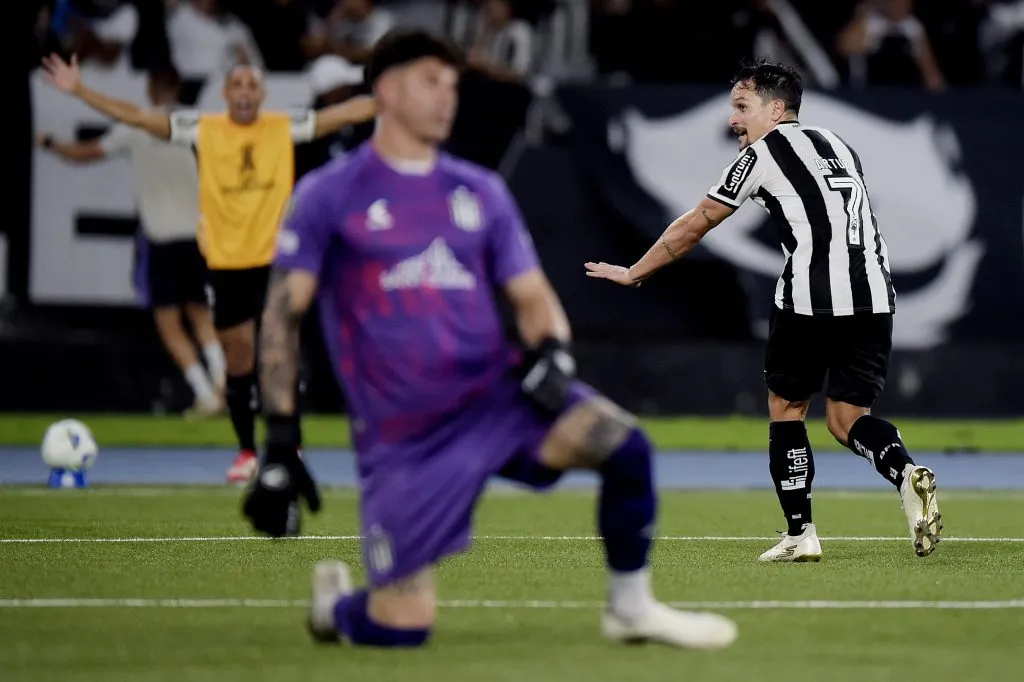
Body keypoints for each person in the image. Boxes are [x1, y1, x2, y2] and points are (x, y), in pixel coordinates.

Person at [240, 28, 738, 650]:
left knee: (625, 446)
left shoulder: (479, 191)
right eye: (431, 81)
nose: (449, 96)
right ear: (387, 90)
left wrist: (552, 353)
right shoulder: (328, 195)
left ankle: (631, 608)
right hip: (405, 434)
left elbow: (532, 299)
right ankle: (338, 610)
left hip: (494, 396)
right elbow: (283, 317)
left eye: (454, 83)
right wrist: (281, 441)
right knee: (402, 629)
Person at [585, 60, 942, 562]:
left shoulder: (762, 152)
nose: (733, 119)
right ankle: (905, 472)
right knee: (847, 418)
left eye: (741, 107)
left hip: (812, 298)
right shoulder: (839, 145)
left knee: (788, 408)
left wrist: (635, 271)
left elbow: (698, 221)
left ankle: (801, 532)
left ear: (776, 110)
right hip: (874, 295)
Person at [40, 52, 377, 484]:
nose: (243, 92)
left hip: (274, 261)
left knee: (279, 356)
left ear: (262, 93)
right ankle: (246, 452)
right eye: (236, 85)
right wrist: (81, 90)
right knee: (238, 361)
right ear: (225, 94)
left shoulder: (282, 126)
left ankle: (286, 447)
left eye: (251, 86)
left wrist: (392, 94)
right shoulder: (203, 128)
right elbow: (139, 118)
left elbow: (342, 113)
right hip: (225, 262)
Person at [37, 64, 225, 417]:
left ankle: (206, 391)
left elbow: (85, 153)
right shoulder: (196, 125)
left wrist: (47, 142)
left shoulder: (136, 126)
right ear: (177, 87)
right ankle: (222, 380)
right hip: (198, 235)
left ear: (153, 88)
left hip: (164, 237)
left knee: (168, 321)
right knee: (201, 314)